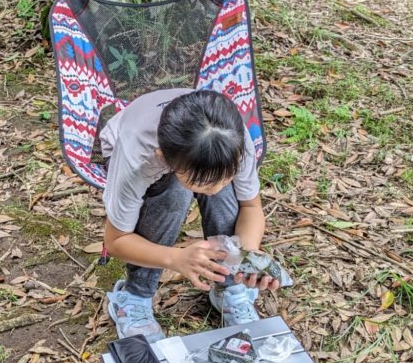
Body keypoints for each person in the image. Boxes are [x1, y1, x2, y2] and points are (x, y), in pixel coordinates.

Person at [100, 88, 280, 342]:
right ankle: (135, 295)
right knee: (175, 193)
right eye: (205, 184)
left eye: (226, 177)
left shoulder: (231, 139)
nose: (215, 189)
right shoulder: (139, 157)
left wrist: (246, 256)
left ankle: (229, 288)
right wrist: (176, 258)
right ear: (164, 158)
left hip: (193, 151)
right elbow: (116, 240)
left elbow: (251, 207)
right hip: (130, 146)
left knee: (220, 189)